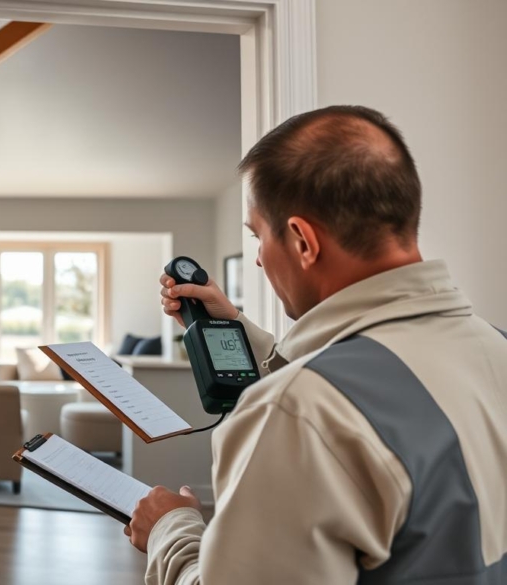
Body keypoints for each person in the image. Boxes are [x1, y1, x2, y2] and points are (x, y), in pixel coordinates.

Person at [125, 105, 507, 584]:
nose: (260, 261)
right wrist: (236, 325)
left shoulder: (296, 414)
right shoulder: (493, 345)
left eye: (258, 235)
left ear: (303, 241)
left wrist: (171, 529)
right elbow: (374, 370)